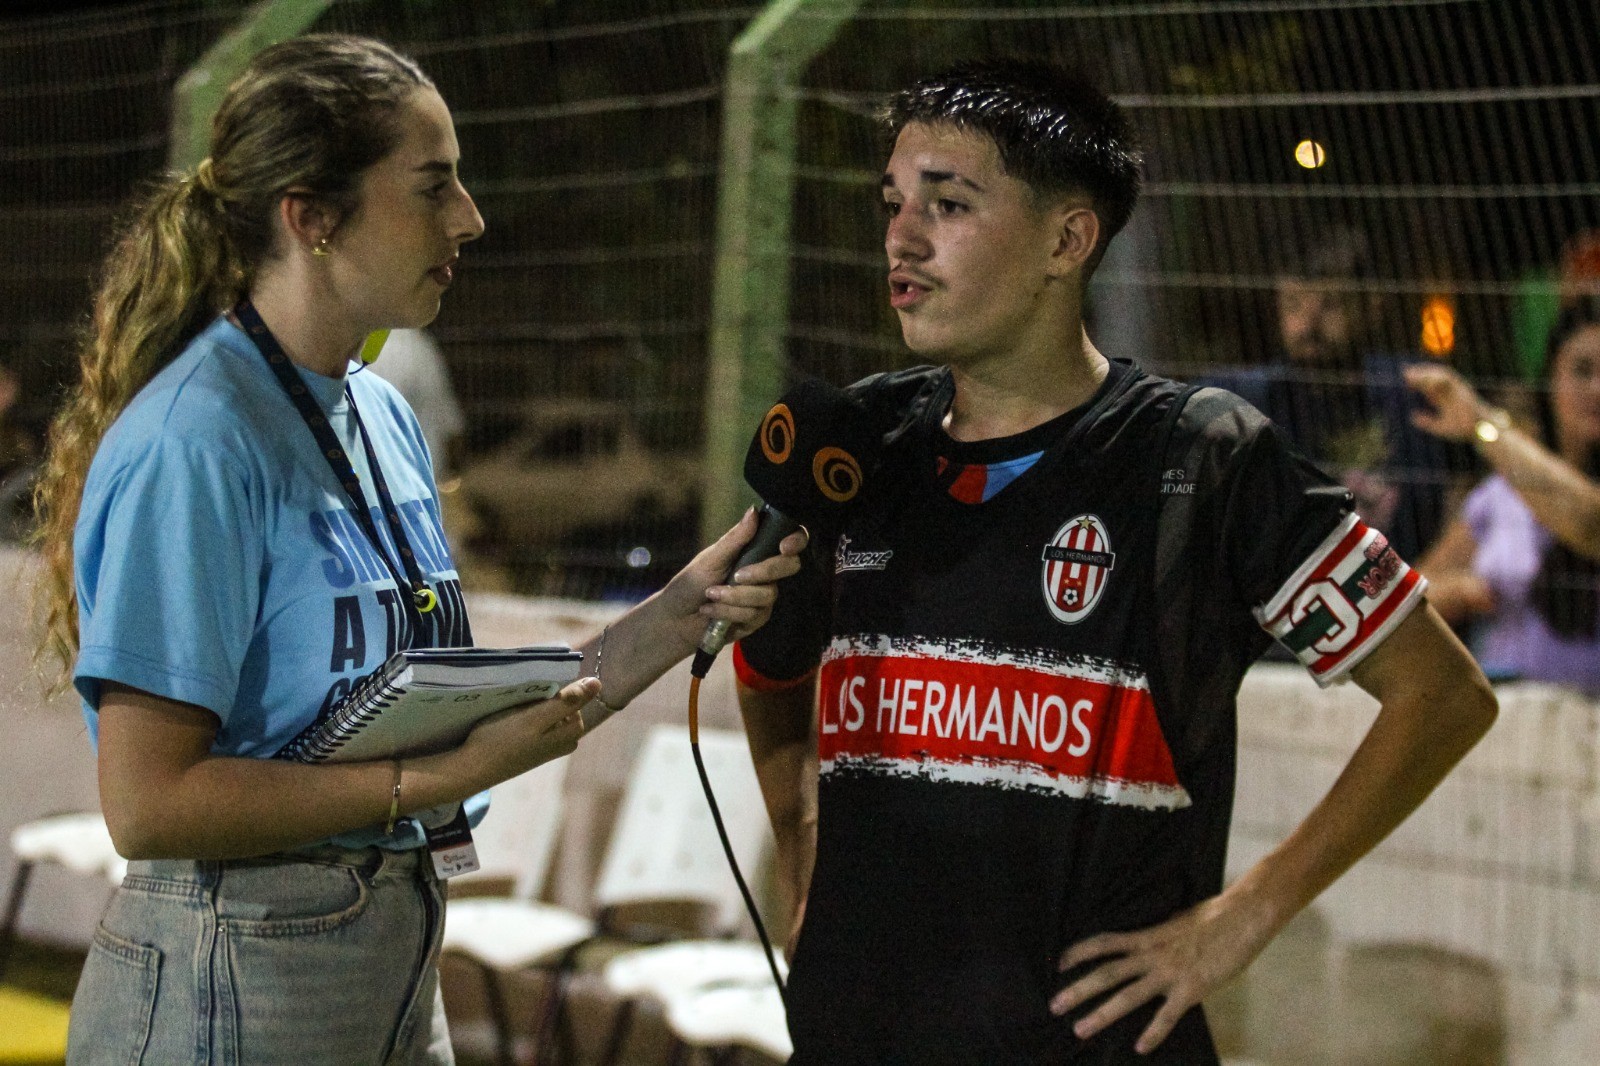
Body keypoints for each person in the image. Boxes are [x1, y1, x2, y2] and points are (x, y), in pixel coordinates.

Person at [30, 35, 804, 1065]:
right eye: (433, 186)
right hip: (234, 971)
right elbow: (149, 804)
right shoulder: (197, 439)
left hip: (392, 947)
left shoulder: (385, 415)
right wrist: (424, 783)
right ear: (311, 216)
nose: (469, 217)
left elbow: (455, 706)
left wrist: (680, 612)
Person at [732, 60, 1496, 1064]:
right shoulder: (859, 439)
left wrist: (1245, 916)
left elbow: (1442, 695)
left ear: (1067, 240)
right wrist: (801, 849)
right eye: (893, 203)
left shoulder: (1202, 459)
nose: (902, 239)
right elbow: (767, 655)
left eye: (948, 204)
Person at [1204, 227, 1471, 563]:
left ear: (1371, 306)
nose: (1308, 325)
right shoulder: (1243, 400)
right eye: (1294, 305)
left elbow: (1467, 497)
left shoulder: (1416, 391)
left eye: (1330, 305)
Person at [1407, 296, 1600, 692]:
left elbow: (1588, 521)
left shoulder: (1505, 458)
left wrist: (1481, 425)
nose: (1598, 389)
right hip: (1507, 714)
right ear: (1549, 381)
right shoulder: (1499, 495)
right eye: (1582, 370)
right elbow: (1409, 598)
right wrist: (1458, 592)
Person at [368, 328, 466, 478]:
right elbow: (452, 433)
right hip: (422, 481)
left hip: (373, 481)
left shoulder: (415, 344)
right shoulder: (417, 343)